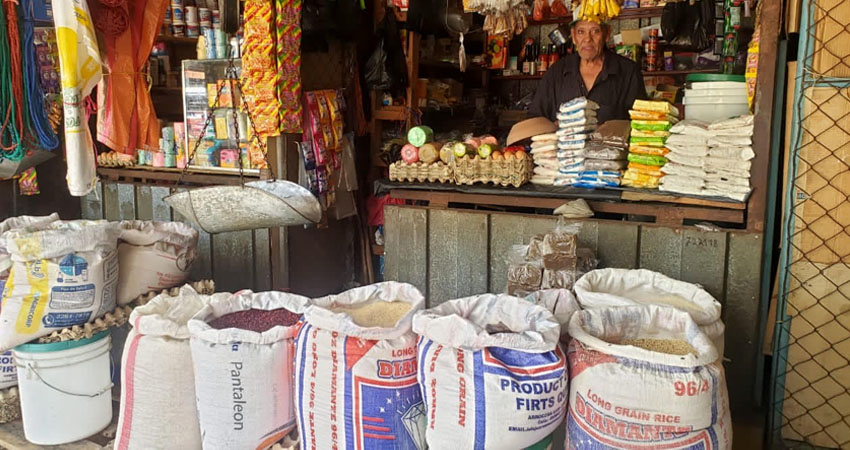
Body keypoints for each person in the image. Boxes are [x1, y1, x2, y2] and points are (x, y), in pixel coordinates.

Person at [529, 20, 647, 124]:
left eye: (595, 31)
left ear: (607, 34)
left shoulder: (628, 71)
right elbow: (535, 118)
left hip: (613, 148)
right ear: (574, 36)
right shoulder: (556, 72)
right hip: (564, 148)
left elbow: (642, 122)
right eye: (581, 32)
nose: (587, 39)